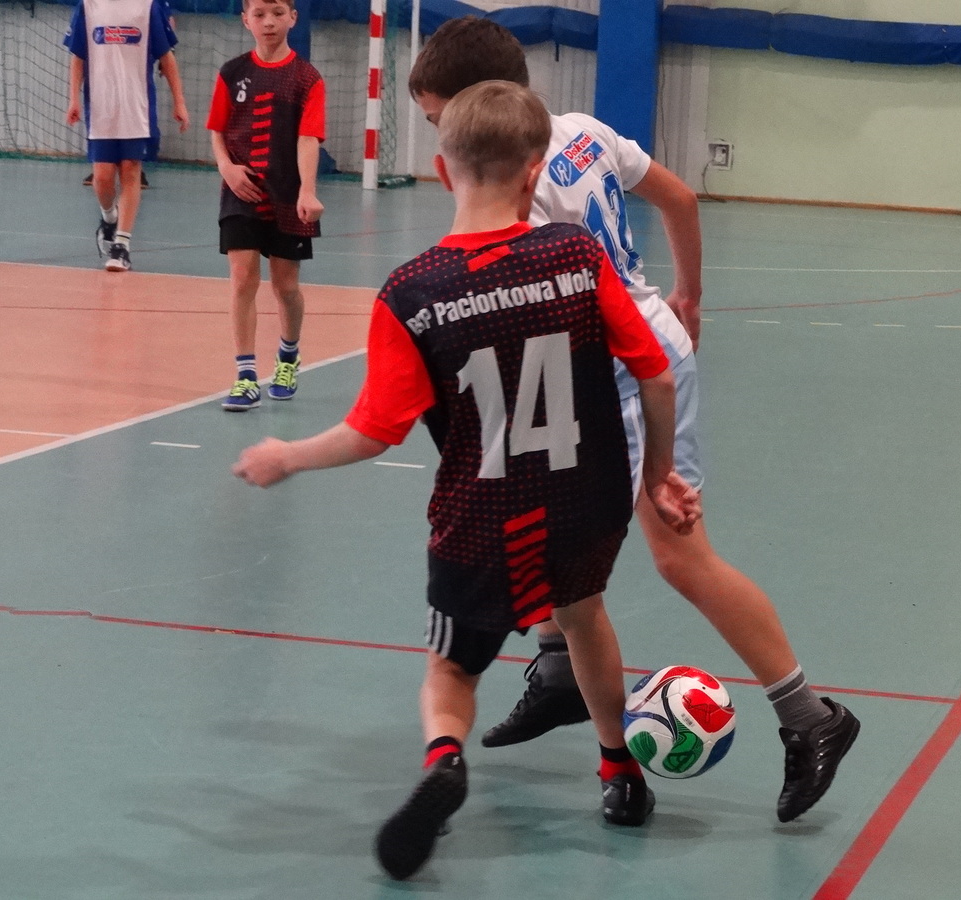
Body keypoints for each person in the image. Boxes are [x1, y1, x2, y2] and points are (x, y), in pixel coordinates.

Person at [233, 81, 700, 878]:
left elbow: (374, 432)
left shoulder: (412, 293)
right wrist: (658, 474)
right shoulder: (578, 257)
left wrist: (288, 456)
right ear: (533, 174)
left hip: (481, 516)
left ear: (443, 172)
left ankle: (445, 759)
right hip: (586, 502)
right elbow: (655, 373)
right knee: (583, 615)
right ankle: (620, 772)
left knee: (452, 668)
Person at [407, 16, 859, 824]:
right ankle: (558, 669)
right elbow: (678, 196)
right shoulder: (581, 130)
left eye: (440, 118)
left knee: (680, 555)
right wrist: (688, 294)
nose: (440, 136)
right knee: (547, 526)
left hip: (626, 369)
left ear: (481, 109)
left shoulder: (514, 192)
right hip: (624, 352)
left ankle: (811, 716)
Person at [206, 0, 325, 411]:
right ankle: (245, 376)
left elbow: (308, 138)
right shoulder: (232, 72)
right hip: (240, 192)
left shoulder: (307, 78)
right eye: (259, 14)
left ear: (293, 17)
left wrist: (307, 190)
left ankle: (288, 357)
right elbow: (217, 130)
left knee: (285, 287)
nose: (268, 21)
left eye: (277, 12)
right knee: (242, 279)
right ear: (246, 20)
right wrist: (226, 168)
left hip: (287, 195)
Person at [64, 0, 189, 271]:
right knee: (102, 177)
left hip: (137, 108)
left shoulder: (149, 7)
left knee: (131, 171)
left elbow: (167, 57)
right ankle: (109, 218)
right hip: (101, 108)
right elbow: (77, 57)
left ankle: (121, 246)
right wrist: (73, 98)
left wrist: (179, 101)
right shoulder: (89, 6)